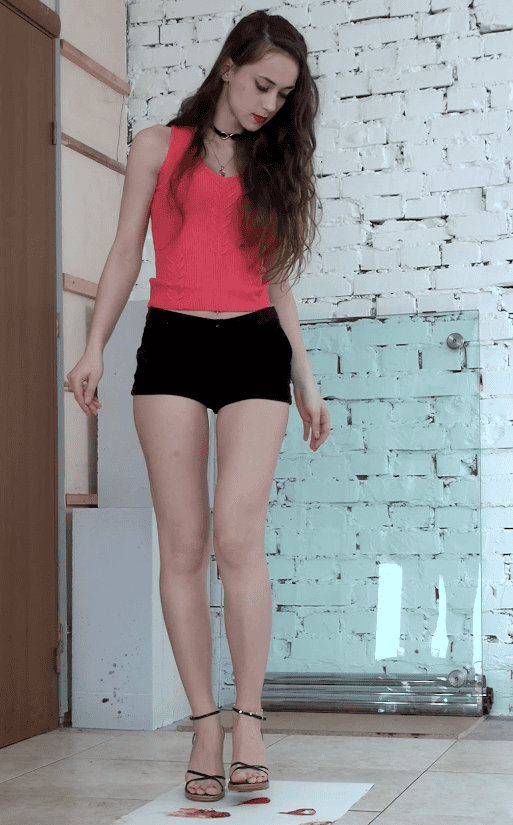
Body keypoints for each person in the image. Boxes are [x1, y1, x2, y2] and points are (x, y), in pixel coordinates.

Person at [66, 9, 330, 805]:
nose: (269, 105)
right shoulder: (157, 146)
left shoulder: (274, 165)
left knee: (237, 537)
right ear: (228, 66)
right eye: (262, 85)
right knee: (182, 546)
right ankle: (204, 725)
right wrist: (93, 346)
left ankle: (248, 721)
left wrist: (305, 377)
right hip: (172, 344)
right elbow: (124, 250)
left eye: (282, 96)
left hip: (254, 345)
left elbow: (276, 278)